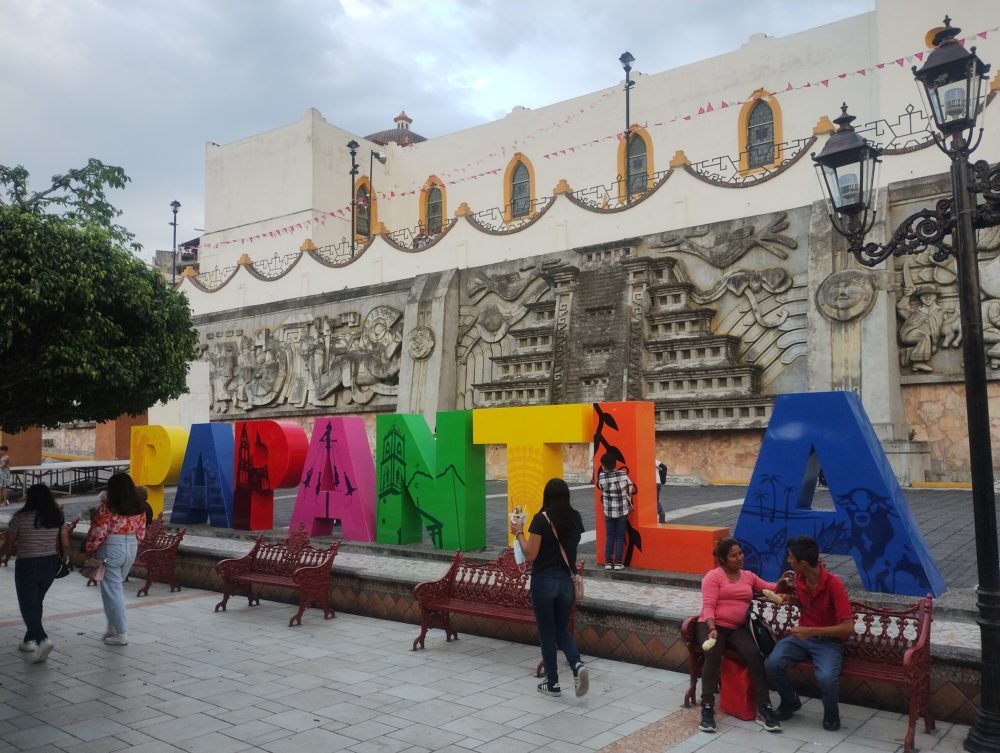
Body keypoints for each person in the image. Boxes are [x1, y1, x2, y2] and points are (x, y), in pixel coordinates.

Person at [765, 535, 854, 732]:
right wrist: (792, 601)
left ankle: (831, 713)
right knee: (771, 663)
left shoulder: (833, 584)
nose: (788, 561)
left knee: (825, 677)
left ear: (803, 563)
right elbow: (809, 606)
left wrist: (810, 631)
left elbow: (848, 627)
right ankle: (790, 701)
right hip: (802, 639)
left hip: (828, 642)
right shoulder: (801, 579)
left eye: (790, 558)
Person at [510, 478, 589, 698]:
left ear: (547, 496)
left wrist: (518, 532)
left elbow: (531, 554)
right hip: (565, 582)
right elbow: (569, 548)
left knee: (547, 633)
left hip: (544, 580)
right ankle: (577, 665)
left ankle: (552, 683)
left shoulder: (541, 520)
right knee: (561, 629)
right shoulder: (575, 518)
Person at [694, 537, 781, 734]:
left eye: (740, 553)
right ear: (723, 559)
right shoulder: (713, 577)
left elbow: (770, 587)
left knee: (754, 654)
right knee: (714, 653)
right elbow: (708, 606)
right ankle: (707, 708)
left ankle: (764, 707)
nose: (740, 557)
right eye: (734, 555)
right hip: (710, 625)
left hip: (736, 628)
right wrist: (712, 628)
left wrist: (783, 584)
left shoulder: (748, 576)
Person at [2, 484, 71, 662]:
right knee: (36, 601)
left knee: (27, 605)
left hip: (28, 564)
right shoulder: (56, 517)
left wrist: (5, 557)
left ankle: (42, 639)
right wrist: (66, 560)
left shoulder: (21, 517)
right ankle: (29, 639)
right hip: (50, 564)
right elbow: (65, 543)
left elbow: (9, 542)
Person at [84, 473, 147, 646]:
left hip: (111, 547)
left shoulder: (107, 508)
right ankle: (112, 628)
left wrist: (89, 549)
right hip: (131, 547)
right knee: (113, 589)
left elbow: (98, 532)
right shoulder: (139, 507)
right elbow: (141, 533)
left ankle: (121, 632)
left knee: (113, 590)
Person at [596, 453, 634, 570]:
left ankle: (608, 562)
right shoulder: (623, 475)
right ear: (616, 463)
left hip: (608, 511)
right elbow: (630, 488)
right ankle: (618, 562)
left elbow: (600, 487)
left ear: (603, 465)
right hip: (622, 510)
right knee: (619, 536)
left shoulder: (601, 477)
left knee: (609, 536)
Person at [655, 458, 668, 524]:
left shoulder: (651, 459)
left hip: (655, 483)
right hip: (656, 482)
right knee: (654, 500)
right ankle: (660, 514)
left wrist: (663, 480)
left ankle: (661, 514)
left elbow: (664, 467)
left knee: (654, 500)